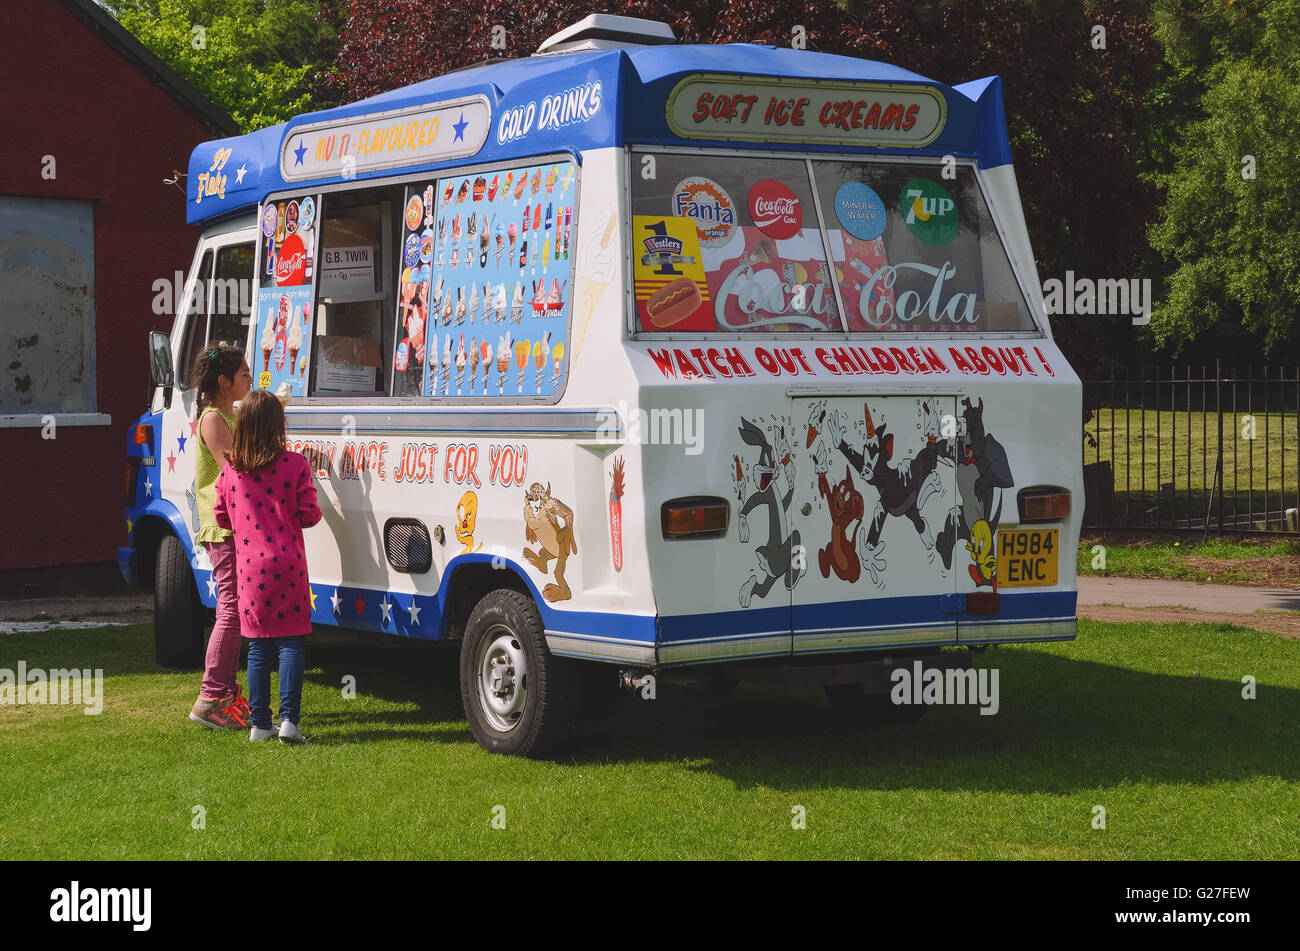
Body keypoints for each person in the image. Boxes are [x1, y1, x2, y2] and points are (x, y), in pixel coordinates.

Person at [213, 390, 322, 743]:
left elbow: (221, 517)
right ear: (278, 425)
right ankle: (289, 721)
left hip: (249, 570)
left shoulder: (231, 470)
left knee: (258, 646)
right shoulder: (295, 464)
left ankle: (260, 724)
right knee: (291, 641)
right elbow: (310, 514)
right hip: (289, 565)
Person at [189, 344, 253, 730]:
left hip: (237, 525)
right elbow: (241, 464)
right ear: (225, 382)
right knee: (230, 608)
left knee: (237, 609)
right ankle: (209, 697)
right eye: (244, 374)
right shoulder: (213, 419)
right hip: (223, 527)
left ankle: (225, 694)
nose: (249, 378)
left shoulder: (231, 416)